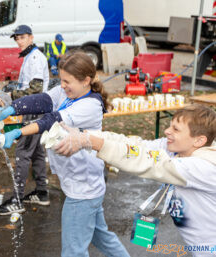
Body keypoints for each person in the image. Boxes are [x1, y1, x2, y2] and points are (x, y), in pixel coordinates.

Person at [0, 52, 130, 257]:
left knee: (73, 252)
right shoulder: (67, 93)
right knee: (102, 237)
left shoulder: (90, 105)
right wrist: (12, 108)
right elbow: (44, 100)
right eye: (61, 79)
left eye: (67, 81)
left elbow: (51, 119)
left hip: (82, 189)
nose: (62, 85)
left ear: (86, 81)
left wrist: (18, 132)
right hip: (87, 185)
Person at [55, 104, 216, 257]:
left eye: (176, 129)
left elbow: (149, 162)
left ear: (199, 141)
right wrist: (85, 134)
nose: (167, 131)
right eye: (169, 125)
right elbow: (135, 146)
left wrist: (93, 143)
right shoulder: (177, 149)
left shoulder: (202, 167)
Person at [0, 24, 50, 216]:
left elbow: (36, 89)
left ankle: (17, 199)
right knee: (37, 152)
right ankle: (42, 192)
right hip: (36, 108)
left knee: (23, 151)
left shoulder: (34, 58)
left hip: (35, 109)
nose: (19, 41)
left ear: (31, 37)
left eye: (22, 37)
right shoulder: (30, 56)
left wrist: (11, 96)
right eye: (16, 38)